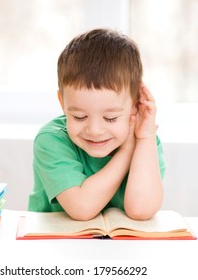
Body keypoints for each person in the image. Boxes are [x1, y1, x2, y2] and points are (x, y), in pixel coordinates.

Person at [28, 28, 166, 221]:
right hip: (56, 247)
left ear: (135, 105)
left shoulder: (145, 139)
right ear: (63, 103)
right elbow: (81, 208)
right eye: (79, 117)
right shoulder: (51, 140)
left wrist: (143, 140)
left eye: (110, 118)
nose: (94, 130)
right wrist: (127, 151)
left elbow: (141, 210)